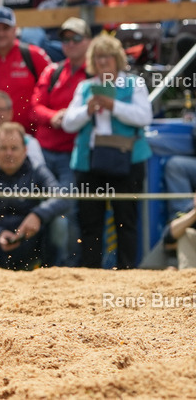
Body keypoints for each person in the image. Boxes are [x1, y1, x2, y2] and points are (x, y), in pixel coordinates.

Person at [63, 34, 152, 270]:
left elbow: (144, 116)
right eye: (98, 57)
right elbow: (68, 123)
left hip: (128, 161)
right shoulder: (85, 87)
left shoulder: (134, 84)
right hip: (89, 163)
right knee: (90, 222)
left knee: (126, 220)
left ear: (117, 59)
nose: (103, 62)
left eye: (107, 57)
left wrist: (114, 106)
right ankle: (91, 272)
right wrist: (87, 110)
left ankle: (126, 271)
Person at [0, 122, 67, 269]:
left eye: (14, 148)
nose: (8, 153)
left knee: (60, 222)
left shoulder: (37, 171)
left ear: (25, 150)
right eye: (3, 148)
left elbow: (62, 197)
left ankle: (53, 271)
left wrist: (38, 215)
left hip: (31, 243)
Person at [30, 17, 92, 265]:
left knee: (67, 210)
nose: (71, 43)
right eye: (65, 39)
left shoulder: (95, 74)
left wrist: (65, 117)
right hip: (43, 153)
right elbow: (35, 107)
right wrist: (54, 117)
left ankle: (67, 266)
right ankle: (42, 263)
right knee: (43, 207)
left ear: (88, 41)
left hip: (73, 155)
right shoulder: (52, 71)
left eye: (76, 38)